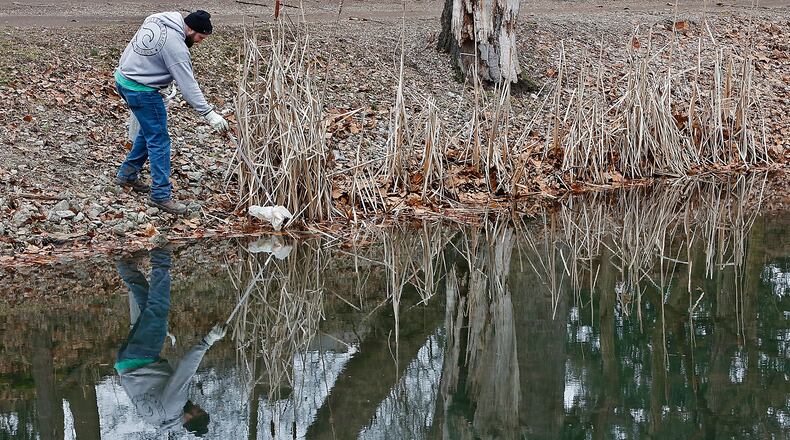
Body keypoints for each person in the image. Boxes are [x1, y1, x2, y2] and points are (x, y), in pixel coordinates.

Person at [114, 10, 229, 215]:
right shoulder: (177, 48)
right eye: (200, 37)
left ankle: (128, 174)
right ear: (190, 29)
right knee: (160, 140)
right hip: (141, 90)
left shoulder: (157, 18)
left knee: (149, 131)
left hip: (123, 78)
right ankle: (160, 195)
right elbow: (188, 87)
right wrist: (210, 114)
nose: (201, 42)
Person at [114, 247, 226, 436]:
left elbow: (185, 369)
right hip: (125, 363)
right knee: (148, 309)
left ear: (190, 418)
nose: (196, 405)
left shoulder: (174, 407)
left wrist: (208, 341)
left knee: (158, 308)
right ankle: (126, 268)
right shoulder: (154, 419)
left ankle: (161, 254)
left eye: (197, 410)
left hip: (142, 356)